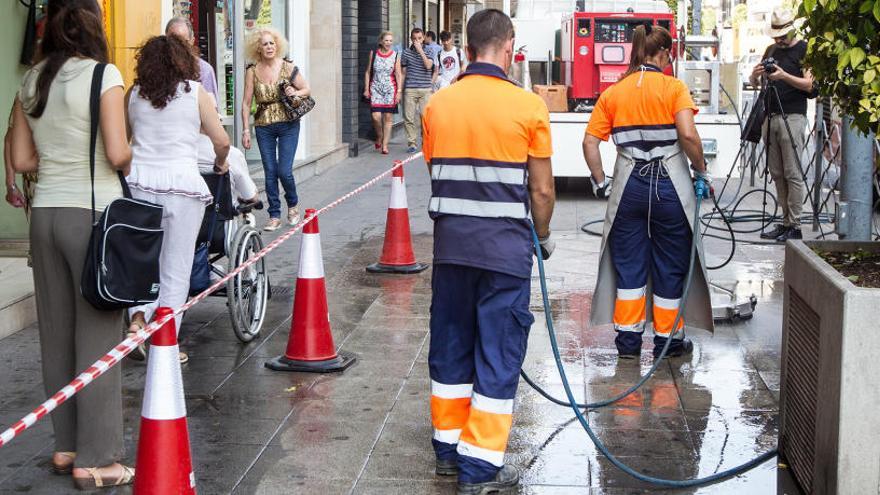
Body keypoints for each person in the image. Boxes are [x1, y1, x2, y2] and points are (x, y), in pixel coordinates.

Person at [422, 9, 555, 494]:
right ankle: (478, 467)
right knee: (497, 353)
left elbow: (437, 168)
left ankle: (447, 450)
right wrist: (541, 235)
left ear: (469, 46)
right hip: (505, 252)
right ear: (509, 45)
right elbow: (541, 192)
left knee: (451, 346)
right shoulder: (528, 107)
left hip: (452, 249)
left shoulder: (439, 105)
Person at [9, 0, 134, 488]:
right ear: (94, 25)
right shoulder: (104, 75)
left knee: (55, 334)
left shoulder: (32, 79)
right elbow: (118, 153)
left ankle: (65, 446)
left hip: (44, 217)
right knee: (100, 337)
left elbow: (20, 160)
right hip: (92, 214)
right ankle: (98, 458)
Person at [582, 23, 714, 361]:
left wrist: (601, 182)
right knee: (670, 264)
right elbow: (687, 135)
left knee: (629, 266)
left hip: (628, 187)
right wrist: (701, 170)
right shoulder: (674, 88)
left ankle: (627, 343)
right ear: (664, 53)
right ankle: (667, 343)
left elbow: (590, 143)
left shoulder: (614, 93)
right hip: (669, 187)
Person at [124, 35, 230, 365]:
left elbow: (126, 142)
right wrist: (220, 161)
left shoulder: (133, 94)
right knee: (176, 268)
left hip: (139, 186)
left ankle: (137, 321)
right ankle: (165, 341)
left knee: (141, 263)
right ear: (184, 60)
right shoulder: (193, 93)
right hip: (182, 188)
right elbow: (221, 140)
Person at [750, 7, 816, 242]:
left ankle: (795, 224)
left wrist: (784, 76)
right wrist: (755, 75)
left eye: (782, 35)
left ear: (792, 31)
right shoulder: (771, 49)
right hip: (771, 115)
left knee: (792, 172)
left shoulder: (805, 49)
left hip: (794, 116)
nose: (779, 40)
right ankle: (785, 220)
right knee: (777, 172)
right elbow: (756, 81)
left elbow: (810, 85)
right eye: (776, 36)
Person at [241, 27, 310, 231]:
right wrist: (246, 130)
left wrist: (294, 93)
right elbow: (246, 103)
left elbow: (306, 89)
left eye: (272, 43)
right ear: (258, 48)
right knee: (270, 171)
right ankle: (274, 215)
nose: (269, 46)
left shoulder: (288, 67)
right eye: (265, 44)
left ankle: (293, 205)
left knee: (284, 170)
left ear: (277, 45)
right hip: (263, 126)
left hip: (288, 123)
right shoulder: (252, 71)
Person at [165, 16, 219, 105]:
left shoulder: (204, 70)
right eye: (173, 41)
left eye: (183, 42)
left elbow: (212, 108)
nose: (177, 46)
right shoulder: (157, 67)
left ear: (192, 41)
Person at [364, 31, 402, 154]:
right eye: (386, 40)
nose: (389, 43)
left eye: (391, 41)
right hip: (375, 88)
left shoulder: (395, 55)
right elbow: (368, 72)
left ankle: (385, 145)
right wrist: (366, 89)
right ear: (381, 41)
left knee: (388, 117)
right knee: (376, 116)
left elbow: (398, 74)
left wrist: (399, 91)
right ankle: (379, 135)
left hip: (390, 89)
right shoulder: (374, 53)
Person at [400, 28, 434, 153]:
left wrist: (420, 51)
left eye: (419, 38)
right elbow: (403, 73)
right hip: (410, 88)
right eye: (414, 39)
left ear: (423, 37)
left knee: (425, 117)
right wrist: (399, 90)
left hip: (425, 89)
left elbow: (429, 66)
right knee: (409, 117)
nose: (417, 41)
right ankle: (412, 143)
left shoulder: (429, 50)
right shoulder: (406, 53)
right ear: (411, 39)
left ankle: (425, 141)